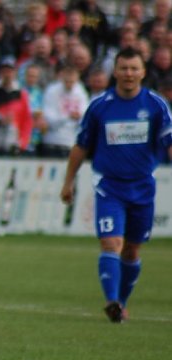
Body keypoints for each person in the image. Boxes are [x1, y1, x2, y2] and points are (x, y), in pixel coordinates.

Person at [60, 47, 172, 323]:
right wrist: (68, 181)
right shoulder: (100, 105)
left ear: (143, 72)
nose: (129, 74)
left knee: (132, 250)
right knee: (111, 243)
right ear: (115, 71)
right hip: (109, 186)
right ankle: (111, 300)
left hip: (143, 187)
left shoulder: (156, 106)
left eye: (134, 68)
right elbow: (80, 146)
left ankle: (120, 303)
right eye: (123, 68)